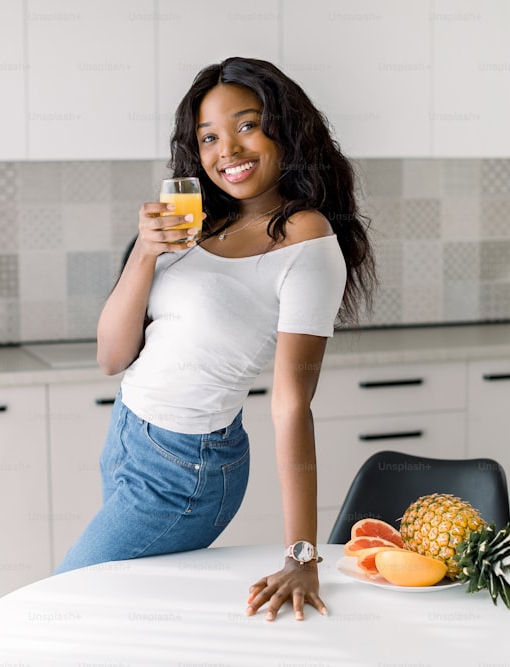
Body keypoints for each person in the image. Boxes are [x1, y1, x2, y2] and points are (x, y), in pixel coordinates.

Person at [55, 56, 375, 622]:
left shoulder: (307, 240)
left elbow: (292, 402)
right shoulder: (199, 222)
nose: (227, 149)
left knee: (65, 603)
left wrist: (303, 555)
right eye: (208, 137)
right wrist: (146, 252)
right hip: (129, 436)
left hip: (187, 465)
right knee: (124, 614)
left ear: (287, 128)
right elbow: (112, 356)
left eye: (247, 125)